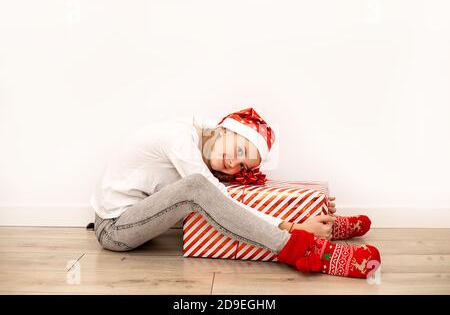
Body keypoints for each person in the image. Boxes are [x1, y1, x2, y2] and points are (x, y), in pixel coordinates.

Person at [90, 107, 381, 279]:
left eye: (242, 163)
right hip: (115, 229)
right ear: (224, 129)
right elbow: (214, 195)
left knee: (219, 190)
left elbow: (227, 198)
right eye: (239, 150)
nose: (233, 163)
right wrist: (293, 227)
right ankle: (301, 247)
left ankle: (318, 222)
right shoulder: (179, 139)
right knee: (200, 188)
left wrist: (307, 207)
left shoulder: (202, 148)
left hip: (143, 217)